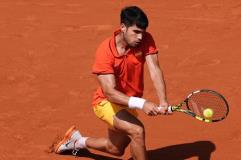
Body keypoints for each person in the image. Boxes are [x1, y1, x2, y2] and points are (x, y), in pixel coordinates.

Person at [54, 6, 169, 160]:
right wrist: (142, 103)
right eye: (136, 32)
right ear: (123, 27)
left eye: (143, 32)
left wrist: (163, 101)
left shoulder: (145, 39)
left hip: (127, 103)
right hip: (106, 102)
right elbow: (110, 92)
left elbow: (155, 69)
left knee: (115, 148)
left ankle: (76, 141)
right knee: (137, 131)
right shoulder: (105, 52)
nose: (140, 37)